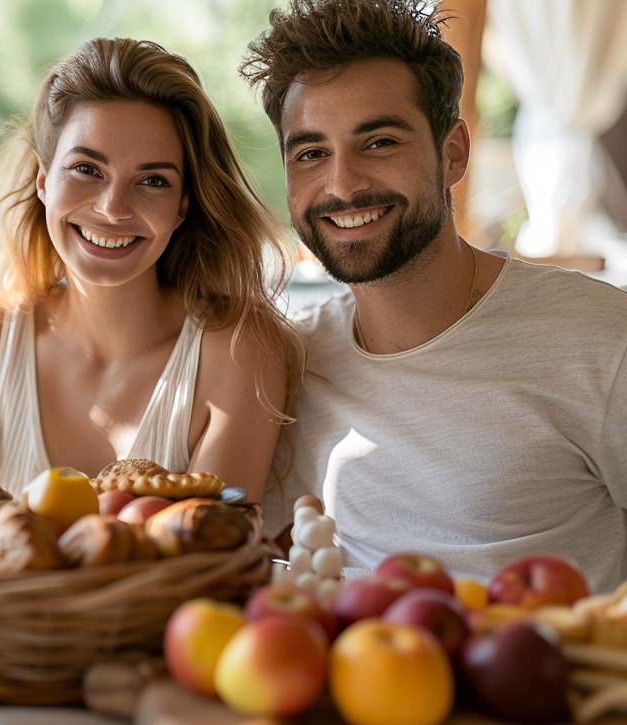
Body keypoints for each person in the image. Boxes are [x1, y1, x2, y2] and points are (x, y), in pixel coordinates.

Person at [240, 0, 627, 591]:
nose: (342, 184)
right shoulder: (289, 362)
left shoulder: (602, 340)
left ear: (453, 153)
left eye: (380, 142)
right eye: (312, 153)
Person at [0, 37, 303, 503]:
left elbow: (211, 558)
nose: (113, 209)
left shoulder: (242, 349)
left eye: (152, 181)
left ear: (183, 206)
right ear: (44, 183)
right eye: (87, 169)